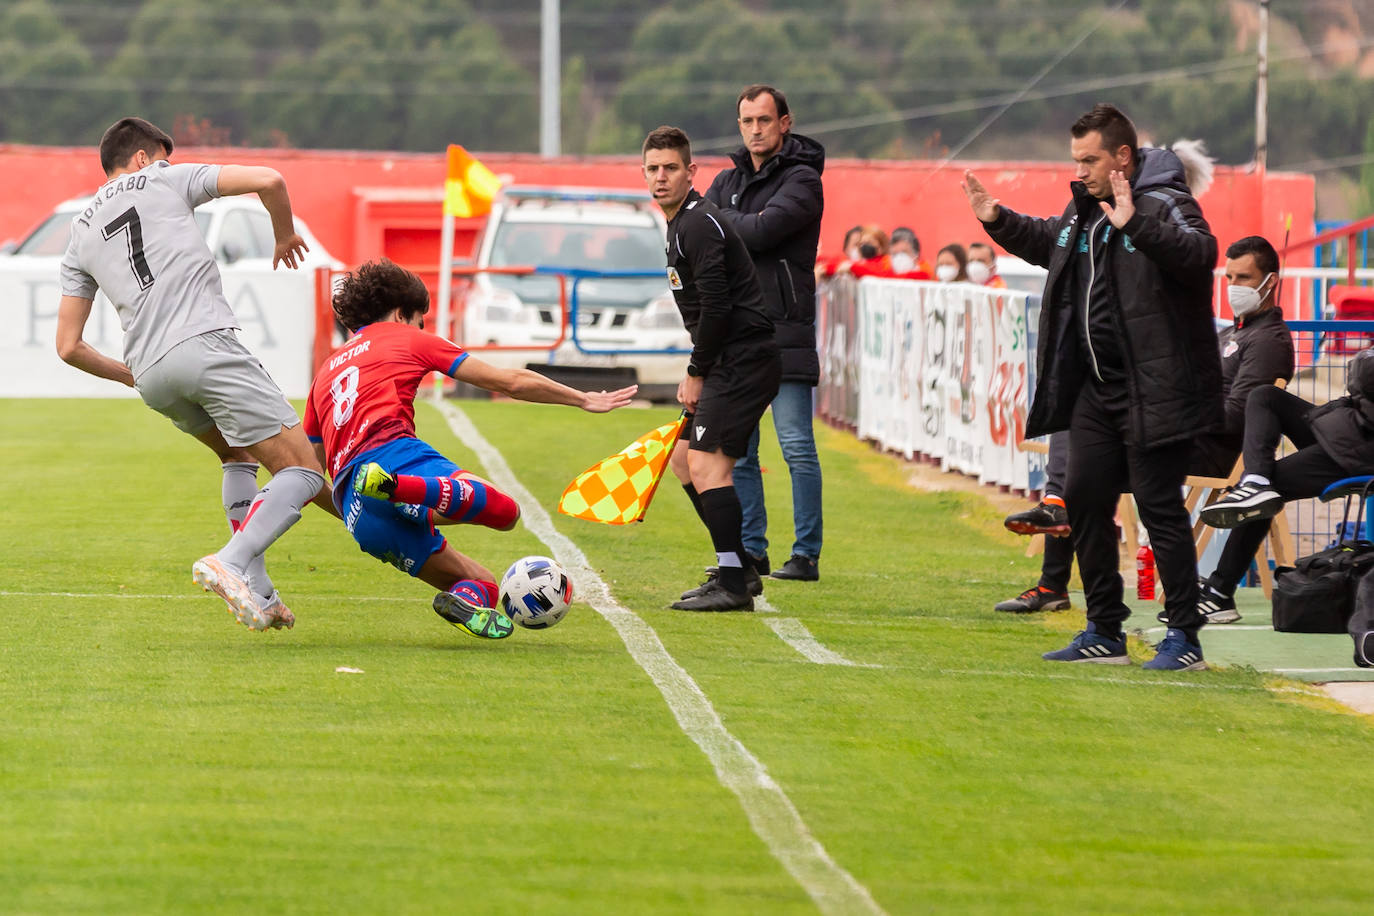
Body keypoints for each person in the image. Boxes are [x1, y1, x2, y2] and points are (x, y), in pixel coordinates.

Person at [962, 103, 1222, 670]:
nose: (1078, 170)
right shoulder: (1085, 212)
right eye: (1075, 159)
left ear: (1122, 157)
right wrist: (997, 218)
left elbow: (1201, 255)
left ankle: (1185, 638)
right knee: (1080, 500)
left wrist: (1138, 224)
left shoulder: (1166, 202)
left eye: (1089, 159)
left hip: (1156, 388)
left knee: (1159, 508)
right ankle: (1105, 630)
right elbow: (1051, 243)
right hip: (1097, 392)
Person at [55, 116, 325, 632]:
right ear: (141, 158)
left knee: (236, 455)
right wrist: (285, 233)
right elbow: (269, 179)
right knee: (305, 471)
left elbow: (68, 347)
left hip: (153, 373)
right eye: (163, 156)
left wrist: (131, 375)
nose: (168, 164)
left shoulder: (78, 231)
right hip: (204, 343)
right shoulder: (161, 178)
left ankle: (263, 595)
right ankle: (231, 559)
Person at [307, 259, 637, 639]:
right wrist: (581, 399)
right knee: (506, 512)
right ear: (401, 314)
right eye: (420, 319)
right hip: (391, 454)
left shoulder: (325, 372)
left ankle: (460, 596)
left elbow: (308, 475)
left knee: (481, 582)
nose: (422, 328)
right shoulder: (407, 337)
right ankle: (396, 489)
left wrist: (352, 511)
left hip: (356, 511)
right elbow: (509, 381)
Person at [996, 236, 1295, 618]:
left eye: (1245, 278)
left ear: (1270, 281)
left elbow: (1238, 416)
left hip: (1208, 450)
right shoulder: (1230, 333)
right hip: (1177, 434)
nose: (1235, 287)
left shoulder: (1268, 341)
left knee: (1088, 452)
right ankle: (1056, 524)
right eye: (1230, 277)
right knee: (1083, 414)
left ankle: (1055, 573)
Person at [643, 125, 781, 611]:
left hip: (742, 358)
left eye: (671, 168)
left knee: (706, 464)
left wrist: (697, 370)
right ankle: (736, 566)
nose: (661, 178)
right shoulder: (680, 222)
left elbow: (719, 308)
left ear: (690, 172)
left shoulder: (699, 223)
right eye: (653, 169)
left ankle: (734, 583)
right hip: (729, 357)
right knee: (683, 460)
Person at [705, 84, 825, 583]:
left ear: (785, 123)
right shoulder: (726, 180)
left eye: (764, 120)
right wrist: (740, 223)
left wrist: (730, 224)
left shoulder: (804, 179)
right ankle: (752, 550)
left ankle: (806, 555)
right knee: (743, 448)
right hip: (739, 332)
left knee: (795, 445)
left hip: (786, 328)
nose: (756, 129)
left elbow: (756, 232)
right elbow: (711, 229)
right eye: (747, 121)